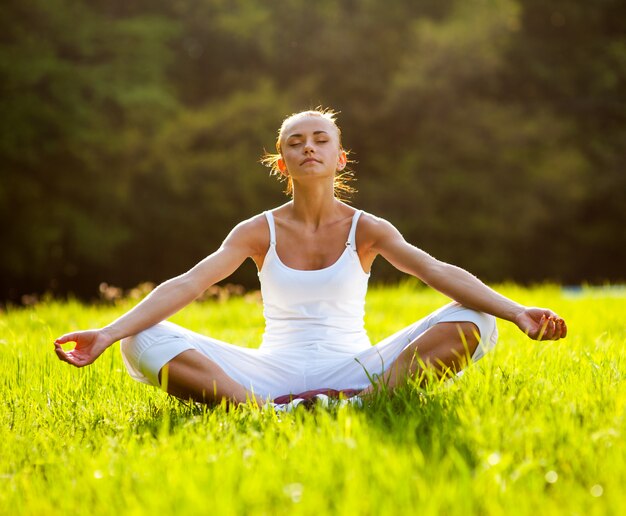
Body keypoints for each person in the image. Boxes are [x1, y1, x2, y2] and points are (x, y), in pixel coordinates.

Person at [54, 108, 567, 407]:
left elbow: (436, 271)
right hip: (267, 374)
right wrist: (107, 333)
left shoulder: (368, 229)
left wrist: (518, 313)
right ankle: (264, 414)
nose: (309, 148)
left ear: (340, 157)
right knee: (137, 339)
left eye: (321, 140)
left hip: (360, 370)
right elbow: (189, 283)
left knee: (477, 319)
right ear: (283, 163)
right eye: (295, 143)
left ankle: (357, 407)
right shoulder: (258, 230)